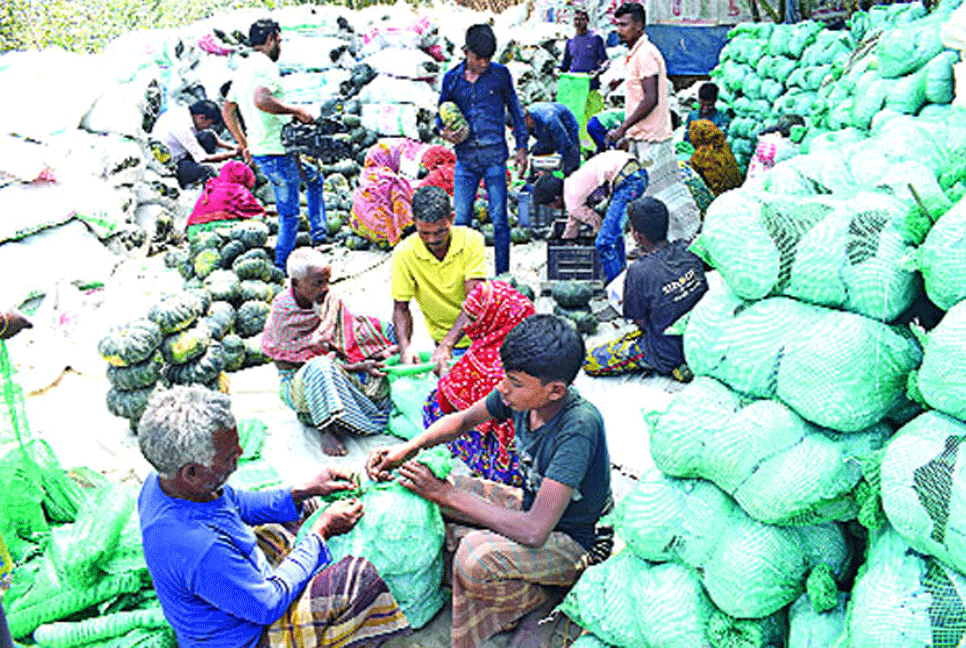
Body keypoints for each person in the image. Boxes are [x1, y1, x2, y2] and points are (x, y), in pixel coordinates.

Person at [366, 314, 611, 648]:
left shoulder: (579, 427)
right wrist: (407, 450)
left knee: (472, 552)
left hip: (573, 541)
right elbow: (462, 421)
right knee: (430, 487)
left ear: (556, 390)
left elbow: (535, 531)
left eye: (515, 382)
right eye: (505, 377)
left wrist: (446, 496)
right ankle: (525, 589)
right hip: (531, 508)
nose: (502, 388)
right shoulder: (523, 399)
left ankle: (541, 597)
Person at [137, 386, 410, 648]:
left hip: (240, 591)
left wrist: (302, 490)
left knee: (305, 506)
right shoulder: (198, 547)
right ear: (192, 473)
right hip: (247, 637)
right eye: (230, 454)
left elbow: (236, 503)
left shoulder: (166, 482)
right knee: (356, 578)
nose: (241, 454)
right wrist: (320, 532)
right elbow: (267, 605)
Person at [262, 248, 398, 456]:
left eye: (327, 281)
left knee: (386, 329)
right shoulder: (283, 310)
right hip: (302, 381)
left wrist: (371, 351)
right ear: (296, 284)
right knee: (320, 368)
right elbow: (297, 362)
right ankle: (326, 429)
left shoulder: (327, 299)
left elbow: (346, 332)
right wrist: (353, 365)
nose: (325, 288)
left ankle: (356, 403)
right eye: (318, 283)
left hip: (337, 362)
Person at [223, 19, 327, 273]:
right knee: (289, 212)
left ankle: (320, 234)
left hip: (266, 150)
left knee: (314, 178)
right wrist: (296, 111)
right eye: (279, 41)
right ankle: (282, 265)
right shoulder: (265, 66)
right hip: (276, 152)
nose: (280, 46)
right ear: (270, 39)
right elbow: (261, 99)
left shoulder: (244, 69)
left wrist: (243, 143)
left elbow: (228, 108)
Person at [422, 281, 536, 487]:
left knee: (433, 405)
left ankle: (481, 461)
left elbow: (446, 399)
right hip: (534, 452)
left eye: (474, 319)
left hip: (511, 460)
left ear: (493, 318)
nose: (467, 327)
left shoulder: (490, 362)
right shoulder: (538, 344)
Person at [438, 23, 529, 276]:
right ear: (466, 52)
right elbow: (440, 117)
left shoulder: (500, 75)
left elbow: (516, 112)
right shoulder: (452, 80)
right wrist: (445, 133)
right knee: (461, 222)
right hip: (466, 160)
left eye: (488, 58)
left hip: (495, 158)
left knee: (500, 219)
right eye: (479, 58)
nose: (484, 63)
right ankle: (463, 276)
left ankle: (502, 276)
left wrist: (522, 147)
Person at [584, 197, 708, 379]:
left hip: (665, 350)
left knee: (591, 361)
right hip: (700, 339)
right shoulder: (688, 249)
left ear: (636, 235)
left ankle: (674, 364)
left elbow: (640, 321)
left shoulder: (639, 271)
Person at [606, 3, 700, 241]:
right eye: (617, 25)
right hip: (642, 135)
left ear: (639, 27)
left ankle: (687, 233)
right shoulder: (635, 54)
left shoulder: (646, 54)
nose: (619, 30)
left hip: (653, 137)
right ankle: (664, 239)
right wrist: (629, 133)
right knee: (652, 193)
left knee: (661, 193)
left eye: (624, 25)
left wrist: (622, 128)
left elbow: (651, 98)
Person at [392, 186, 487, 374]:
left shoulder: (471, 241)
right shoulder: (404, 253)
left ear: (452, 218)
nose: (432, 239)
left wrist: (447, 344)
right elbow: (401, 307)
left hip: (482, 336)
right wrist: (406, 347)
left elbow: (475, 302)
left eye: (440, 232)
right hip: (445, 341)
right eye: (424, 233)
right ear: (414, 223)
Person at [532, 149, 648, 283]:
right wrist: (567, 241)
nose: (553, 209)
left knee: (604, 243)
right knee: (614, 234)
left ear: (556, 199)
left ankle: (618, 289)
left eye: (550, 206)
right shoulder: (571, 183)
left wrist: (597, 232)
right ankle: (622, 276)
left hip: (628, 182)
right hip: (634, 171)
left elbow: (596, 221)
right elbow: (573, 221)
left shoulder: (572, 201)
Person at [152, 100, 240, 189]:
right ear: (202, 117)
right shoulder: (181, 126)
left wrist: (233, 147)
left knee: (208, 136)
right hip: (172, 166)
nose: (208, 127)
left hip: (182, 152)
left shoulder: (184, 114)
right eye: (209, 124)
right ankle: (209, 198)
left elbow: (212, 138)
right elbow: (203, 158)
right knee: (208, 170)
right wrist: (234, 154)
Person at [349, 141, 416, 247]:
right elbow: (402, 208)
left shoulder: (366, 174)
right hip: (380, 229)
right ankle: (386, 239)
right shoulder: (392, 180)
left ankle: (367, 236)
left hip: (358, 224)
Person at [185, 160, 266, 240]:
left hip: (193, 231)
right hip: (220, 230)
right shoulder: (239, 190)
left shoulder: (211, 185)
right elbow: (254, 211)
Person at [687, 119, 743, 196]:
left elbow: (692, 176)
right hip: (736, 190)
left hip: (718, 197)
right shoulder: (723, 145)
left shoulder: (701, 154)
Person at [524, 102, 582, 176]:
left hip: (567, 126)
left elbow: (564, 143)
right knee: (537, 152)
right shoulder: (527, 120)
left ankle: (571, 177)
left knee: (570, 156)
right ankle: (534, 178)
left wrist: (565, 163)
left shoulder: (549, 119)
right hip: (545, 127)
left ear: (527, 119)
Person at [745, 114, 807, 182]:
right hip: (768, 188)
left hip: (752, 184)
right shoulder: (787, 149)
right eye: (800, 131)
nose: (802, 134)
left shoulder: (766, 139)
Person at [559, 9, 609, 92]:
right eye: (576, 19)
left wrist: (598, 71)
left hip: (591, 85)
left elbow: (606, 61)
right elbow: (565, 65)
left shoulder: (595, 39)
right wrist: (557, 70)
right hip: (574, 85)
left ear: (587, 21)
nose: (578, 22)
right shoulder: (570, 41)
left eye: (582, 19)